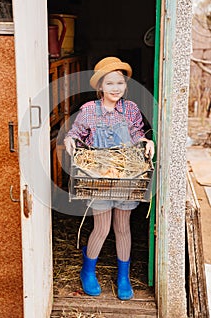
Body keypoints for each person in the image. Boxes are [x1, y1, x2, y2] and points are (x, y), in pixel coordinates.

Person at [64, 57, 154, 300]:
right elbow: (75, 132)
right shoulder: (89, 110)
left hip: (125, 176)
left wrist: (147, 142)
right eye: (110, 83)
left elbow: (137, 134)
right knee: (102, 227)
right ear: (100, 86)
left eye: (120, 83)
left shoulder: (131, 109)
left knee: (122, 228)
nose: (116, 88)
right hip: (99, 178)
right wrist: (69, 139)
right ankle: (88, 270)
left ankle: (123, 277)